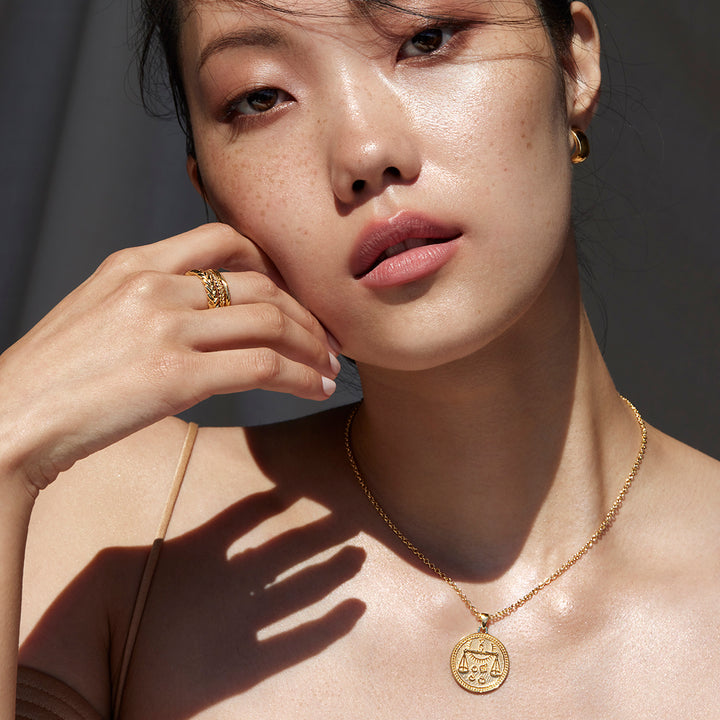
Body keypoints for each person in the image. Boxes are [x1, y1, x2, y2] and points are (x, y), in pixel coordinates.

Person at [2, 0, 719, 717]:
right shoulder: (121, 532)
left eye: (427, 40)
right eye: (261, 97)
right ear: (211, 191)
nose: (365, 154)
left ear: (574, 64)